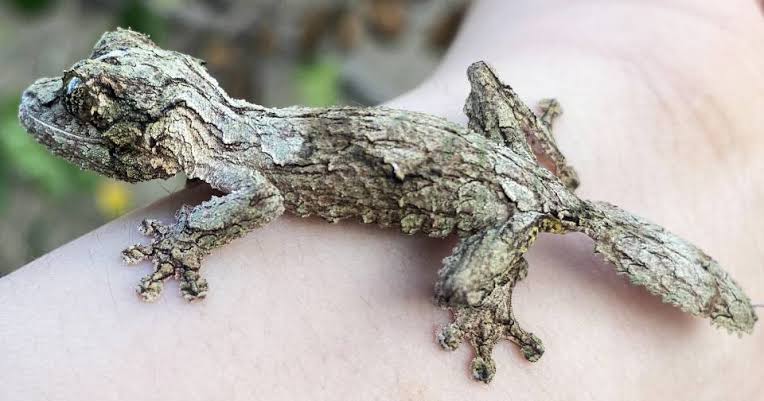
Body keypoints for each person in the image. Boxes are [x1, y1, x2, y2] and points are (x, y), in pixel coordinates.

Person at [1, 0, 762, 399]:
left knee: (460, 285)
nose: (63, 114)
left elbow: (260, 201)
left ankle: (517, 253)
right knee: (486, 89)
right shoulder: (234, 141)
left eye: (93, 112)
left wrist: (184, 240)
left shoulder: (235, 167)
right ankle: (549, 182)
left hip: (504, 204)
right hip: (505, 160)